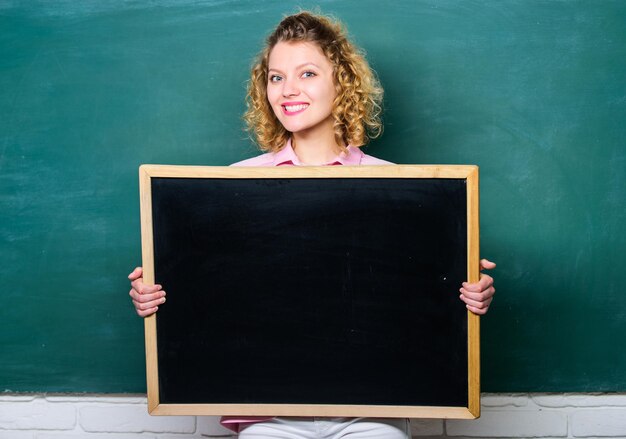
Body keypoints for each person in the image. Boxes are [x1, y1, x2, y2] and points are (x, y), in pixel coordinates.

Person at [128, 11, 496, 439]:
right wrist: (156, 294)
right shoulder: (232, 184)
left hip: (373, 408)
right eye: (275, 77)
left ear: (341, 82)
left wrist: (468, 296)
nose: (288, 90)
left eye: (307, 73)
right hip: (266, 409)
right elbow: (210, 291)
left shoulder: (399, 185)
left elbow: (423, 298)